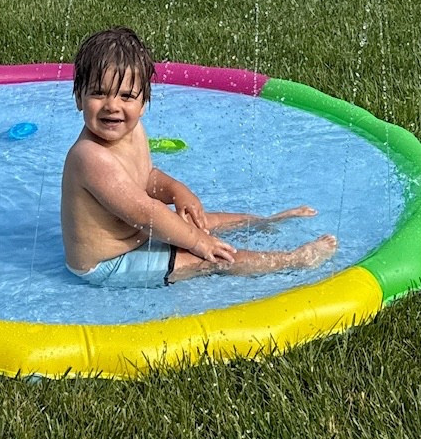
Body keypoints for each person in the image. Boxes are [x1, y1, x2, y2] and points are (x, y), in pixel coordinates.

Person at [60, 26, 338, 288]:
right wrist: (200, 243)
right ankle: (295, 260)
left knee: (206, 221)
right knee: (213, 259)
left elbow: (146, 178)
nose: (112, 106)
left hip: (141, 234)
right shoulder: (90, 157)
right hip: (110, 264)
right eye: (98, 93)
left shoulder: (133, 132)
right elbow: (147, 213)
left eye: (126, 96)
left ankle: (267, 221)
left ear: (143, 103)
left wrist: (179, 193)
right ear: (78, 98)